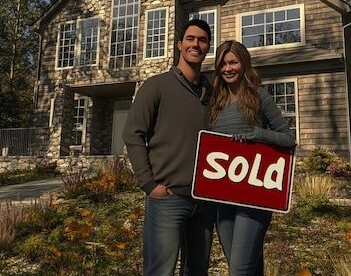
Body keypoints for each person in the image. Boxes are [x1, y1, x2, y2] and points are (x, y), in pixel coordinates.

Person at [122, 19, 214, 276]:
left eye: (202, 40)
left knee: (197, 271)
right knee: (160, 271)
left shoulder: (212, 92)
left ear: (208, 47)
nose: (196, 44)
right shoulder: (157, 86)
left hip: (205, 199)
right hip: (168, 198)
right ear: (179, 45)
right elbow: (132, 134)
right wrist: (150, 186)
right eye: (190, 38)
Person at [209, 40, 295, 276]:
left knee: (239, 270)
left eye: (233, 62)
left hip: (253, 196)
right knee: (249, 268)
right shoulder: (215, 103)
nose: (228, 68)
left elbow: (288, 139)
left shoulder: (259, 96)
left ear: (244, 64)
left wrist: (257, 134)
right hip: (222, 197)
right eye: (223, 64)